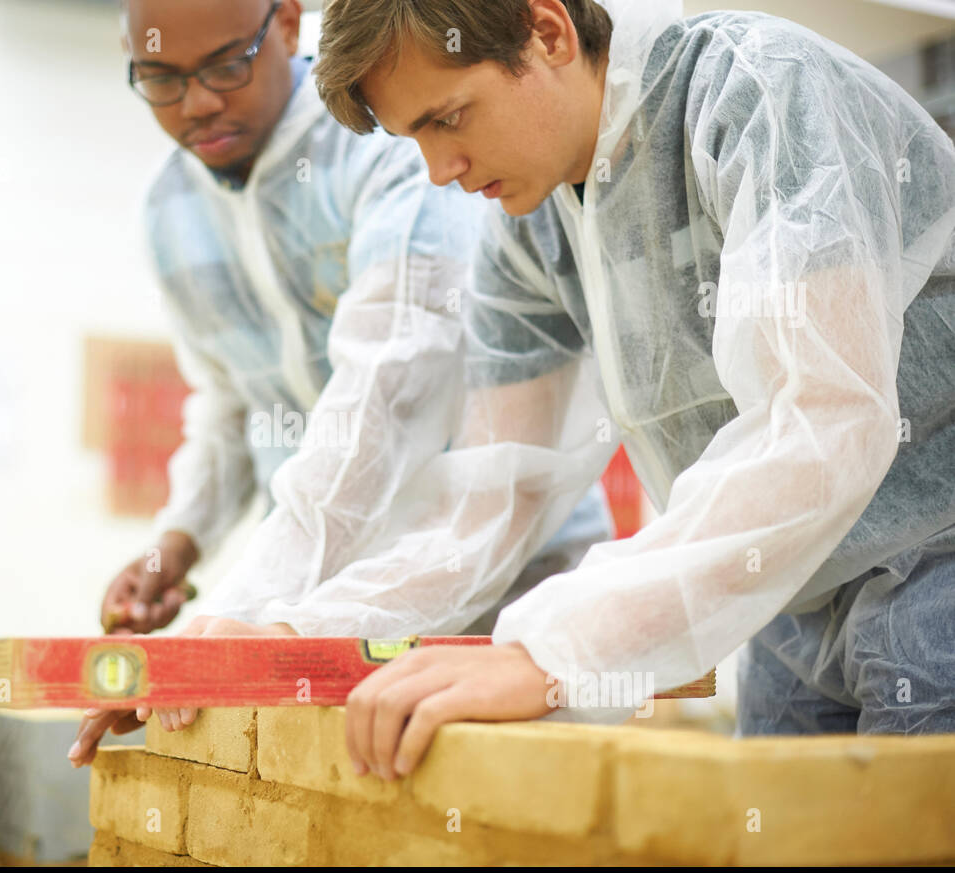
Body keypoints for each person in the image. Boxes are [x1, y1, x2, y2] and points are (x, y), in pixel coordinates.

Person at [306, 0, 955, 780]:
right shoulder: (531, 225)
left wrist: (554, 651)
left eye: (448, 119)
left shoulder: (755, 92)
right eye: (415, 138)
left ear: (547, 32)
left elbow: (825, 421)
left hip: (937, 567)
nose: (440, 170)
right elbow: (494, 500)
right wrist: (290, 633)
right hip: (786, 598)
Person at [69, 0, 614, 766]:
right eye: (158, 78)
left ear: (288, 24)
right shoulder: (172, 211)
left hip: (509, 582)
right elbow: (232, 404)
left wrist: (233, 620)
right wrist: (178, 548)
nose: (197, 103)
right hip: (317, 604)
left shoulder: (396, 137)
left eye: (226, 66)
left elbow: (387, 396)